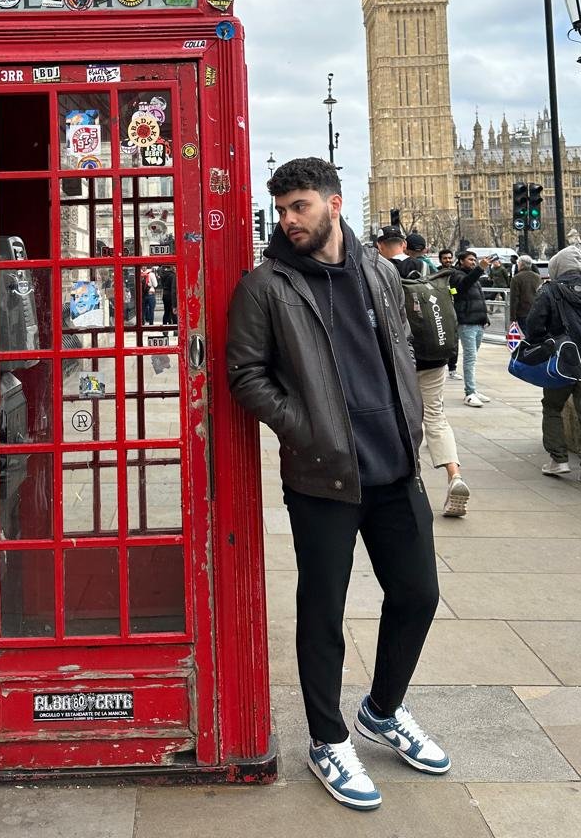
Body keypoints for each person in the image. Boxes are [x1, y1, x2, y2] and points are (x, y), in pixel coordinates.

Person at [227, 158, 449, 811]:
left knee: (418, 594)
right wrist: (306, 429)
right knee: (323, 610)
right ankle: (327, 739)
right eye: (282, 210)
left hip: (394, 466)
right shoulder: (267, 286)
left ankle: (383, 708)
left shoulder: (379, 270)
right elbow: (245, 374)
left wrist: (411, 426)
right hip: (323, 474)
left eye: (299, 206)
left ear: (334, 203)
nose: (288, 220)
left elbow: (399, 348)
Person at [376, 228, 469, 518]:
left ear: (380, 246)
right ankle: (454, 474)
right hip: (435, 355)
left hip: (401, 357)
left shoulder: (380, 271)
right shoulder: (426, 267)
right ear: (404, 244)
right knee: (435, 416)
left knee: (398, 418)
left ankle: (410, 481)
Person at [524, 246, 581, 487]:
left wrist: (547, 341)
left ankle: (558, 459)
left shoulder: (549, 290)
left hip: (561, 361)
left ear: (557, 267)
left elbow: (533, 326)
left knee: (552, 407)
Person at [449, 249, 491, 407]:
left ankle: (473, 389)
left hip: (478, 322)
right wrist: (480, 269)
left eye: (475, 260)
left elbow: (479, 299)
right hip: (466, 322)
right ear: (461, 261)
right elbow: (463, 286)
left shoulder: (474, 277)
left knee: (472, 358)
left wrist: (485, 317)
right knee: (470, 358)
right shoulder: (456, 275)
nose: (473, 262)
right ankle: (470, 392)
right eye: (470, 260)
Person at [438, 250, 459, 378]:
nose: (448, 260)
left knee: (454, 341)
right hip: (440, 309)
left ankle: (452, 368)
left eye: (450, 258)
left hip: (453, 309)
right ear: (440, 260)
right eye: (445, 258)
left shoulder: (456, 273)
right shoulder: (436, 273)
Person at [509, 254, 542, 334]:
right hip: (537, 311)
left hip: (523, 312)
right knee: (535, 335)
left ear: (521, 264)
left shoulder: (516, 278)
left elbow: (514, 299)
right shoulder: (538, 277)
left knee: (528, 335)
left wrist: (512, 317)